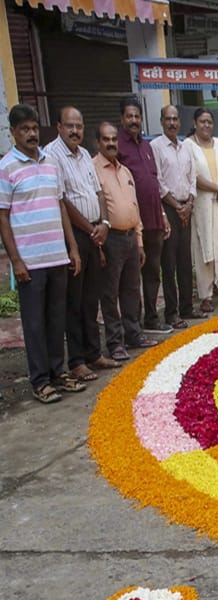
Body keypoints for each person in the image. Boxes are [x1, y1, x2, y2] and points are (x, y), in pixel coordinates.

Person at [1, 103, 83, 403]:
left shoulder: (51, 163)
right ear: (13, 133)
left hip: (57, 256)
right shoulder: (7, 166)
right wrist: (16, 260)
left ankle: (58, 374)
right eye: (24, 129)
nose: (31, 134)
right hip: (30, 261)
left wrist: (72, 248)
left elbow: (60, 204)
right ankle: (40, 381)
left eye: (34, 128)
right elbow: (3, 216)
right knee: (34, 323)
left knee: (56, 320)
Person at [44, 106, 113, 381]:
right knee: (74, 299)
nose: (75, 131)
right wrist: (90, 229)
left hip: (96, 231)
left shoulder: (84, 154)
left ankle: (94, 353)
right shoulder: (51, 155)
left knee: (90, 298)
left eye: (79, 126)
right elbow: (63, 200)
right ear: (59, 127)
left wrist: (104, 225)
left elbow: (98, 192)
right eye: (69, 126)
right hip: (74, 233)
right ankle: (76, 361)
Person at [93, 121, 155, 363]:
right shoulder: (93, 170)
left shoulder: (125, 171)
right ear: (98, 142)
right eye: (106, 140)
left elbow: (134, 207)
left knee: (131, 290)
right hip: (111, 239)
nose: (111, 143)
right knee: (109, 293)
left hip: (130, 237)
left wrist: (139, 241)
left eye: (113, 139)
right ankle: (115, 342)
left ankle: (134, 334)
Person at [116, 97, 170, 333]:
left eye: (137, 116)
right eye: (129, 116)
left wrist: (162, 215)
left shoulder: (147, 146)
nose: (134, 120)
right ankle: (133, 325)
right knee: (131, 277)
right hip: (131, 222)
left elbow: (154, 182)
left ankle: (151, 319)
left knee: (153, 271)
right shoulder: (116, 145)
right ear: (122, 119)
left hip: (154, 220)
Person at [186, 108, 218, 309]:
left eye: (209, 122)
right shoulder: (188, 146)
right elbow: (193, 176)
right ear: (195, 123)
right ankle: (206, 295)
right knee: (204, 247)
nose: (206, 125)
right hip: (205, 205)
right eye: (202, 121)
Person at [151, 105, 197, 328]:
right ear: (161, 121)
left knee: (185, 261)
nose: (172, 123)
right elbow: (157, 181)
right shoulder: (156, 147)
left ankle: (187, 307)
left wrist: (188, 203)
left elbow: (193, 178)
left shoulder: (186, 147)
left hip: (186, 208)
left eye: (175, 119)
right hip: (168, 210)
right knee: (168, 263)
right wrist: (177, 206)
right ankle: (171, 312)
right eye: (168, 119)